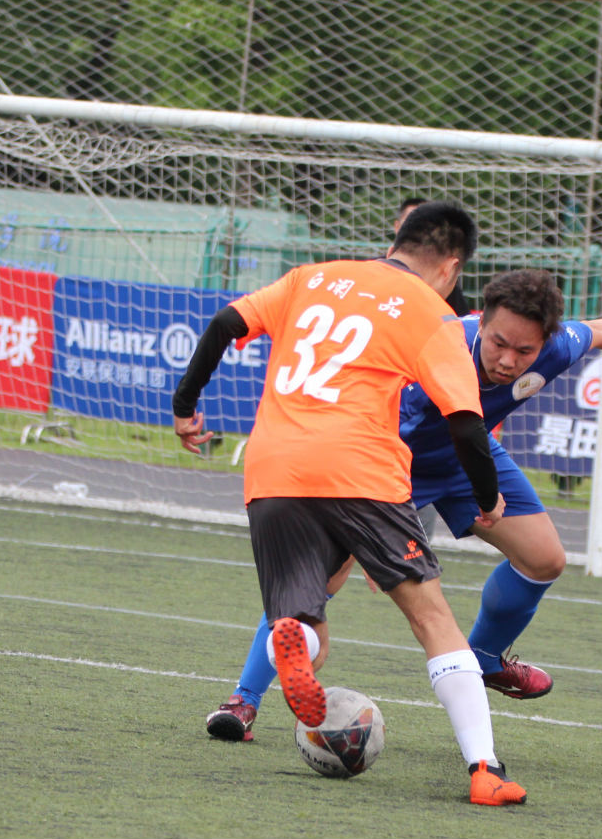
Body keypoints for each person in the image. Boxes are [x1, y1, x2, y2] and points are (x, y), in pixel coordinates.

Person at [205, 268, 602, 739]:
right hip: (387, 461)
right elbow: (383, 435)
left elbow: (597, 331)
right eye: (499, 343)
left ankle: (484, 658)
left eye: (524, 351)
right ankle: (244, 699)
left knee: (544, 559)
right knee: (318, 581)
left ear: (544, 342)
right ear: (481, 322)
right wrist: (382, 537)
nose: (509, 360)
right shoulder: (437, 345)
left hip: (471, 460)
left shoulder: (556, 346)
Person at [172, 201, 528, 806]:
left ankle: (292, 637)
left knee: (304, 621)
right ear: (451, 265)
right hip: (362, 472)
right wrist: (488, 499)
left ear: (396, 242)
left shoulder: (310, 278)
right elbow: (466, 422)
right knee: (432, 617)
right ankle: (484, 769)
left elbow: (225, 323)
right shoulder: (433, 312)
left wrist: (185, 406)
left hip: (274, 470)